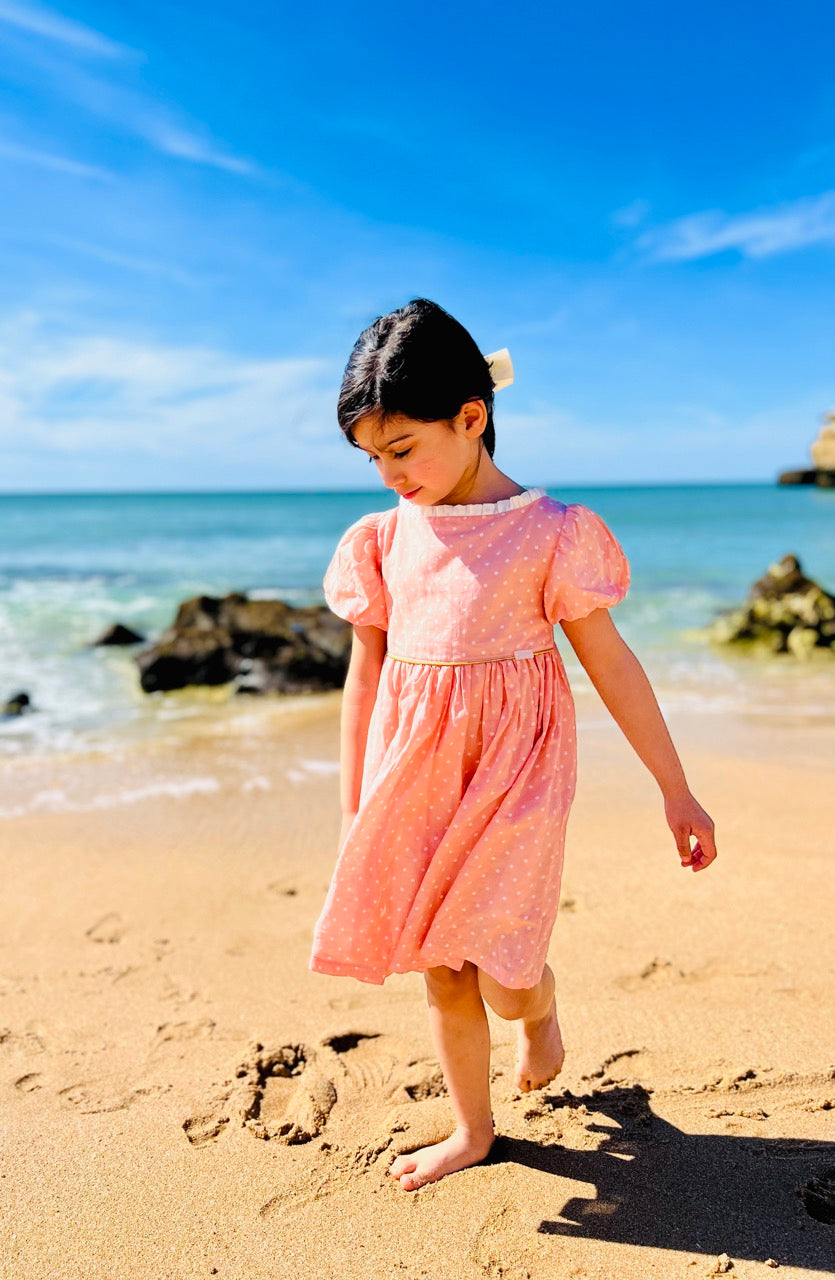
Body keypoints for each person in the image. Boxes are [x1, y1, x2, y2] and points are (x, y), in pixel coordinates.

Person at [308, 297, 717, 1192]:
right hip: (416, 779)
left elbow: (611, 665)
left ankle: (539, 1009)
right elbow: (365, 678)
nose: (387, 476)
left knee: (503, 976)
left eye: (402, 450)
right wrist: (354, 812)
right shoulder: (380, 543)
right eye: (371, 458)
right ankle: (472, 1129)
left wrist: (673, 789)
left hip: (519, 777)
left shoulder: (550, 532)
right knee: (442, 969)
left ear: (470, 417)